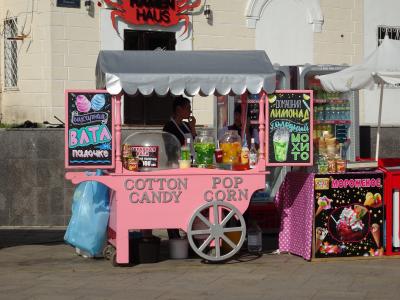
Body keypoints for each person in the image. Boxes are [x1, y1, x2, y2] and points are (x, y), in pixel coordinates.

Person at [163, 96, 197, 239]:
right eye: (188, 108)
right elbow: (170, 148)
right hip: (176, 167)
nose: (190, 111)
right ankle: (173, 230)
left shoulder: (185, 125)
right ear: (179, 109)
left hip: (189, 164)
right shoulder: (169, 127)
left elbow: (192, 140)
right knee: (176, 201)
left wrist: (193, 126)